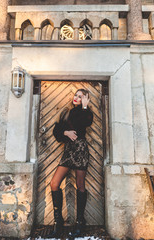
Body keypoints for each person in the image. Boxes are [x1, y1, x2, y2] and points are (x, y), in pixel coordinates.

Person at [48, 88, 93, 238]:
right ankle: (58, 222)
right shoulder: (67, 112)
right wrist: (65, 133)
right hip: (68, 151)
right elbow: (57, 130)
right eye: (76, 95)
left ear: (85, 100)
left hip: (80, 150)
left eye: (80, 97)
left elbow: (85, 123)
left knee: (80, 185)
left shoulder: (86, 112)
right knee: (54, 183)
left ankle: (80, 223)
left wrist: (85, 107)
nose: (76, 98)